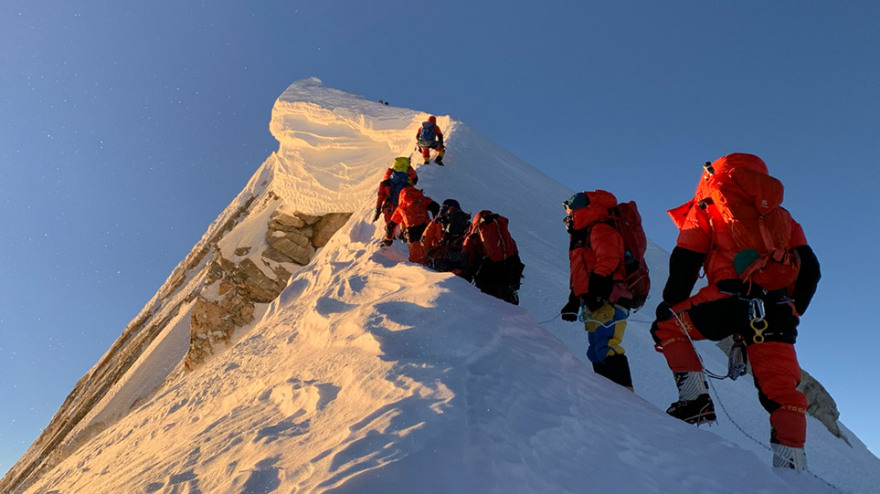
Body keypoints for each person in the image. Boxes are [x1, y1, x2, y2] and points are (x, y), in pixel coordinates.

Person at [650, 153, 821, 471]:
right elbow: (810, 269)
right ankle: (793, 471)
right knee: (781, 389)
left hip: (728, 300)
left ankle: (694, 401)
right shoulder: (782, 215)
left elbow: (686, 259)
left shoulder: (708, 202)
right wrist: (793, 308)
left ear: (713, 173)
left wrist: (671, 304)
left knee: (668, 327)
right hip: (778, 309)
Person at [559, 190, 634, 391]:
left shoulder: (599, 228)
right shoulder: (581, 238)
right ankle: (607, 396)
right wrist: (574, 301)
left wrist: (596, 291)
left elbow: (609, 259)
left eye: (570, 213)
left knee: (606, 346)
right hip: (596, 300)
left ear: (580, 210)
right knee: (597, 350)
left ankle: (625, 399)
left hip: (609, 298)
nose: (567, 218)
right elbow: (580, 274)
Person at [461, 210, 525, 305]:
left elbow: (466, 259)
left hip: (487, 282)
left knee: (490, 311)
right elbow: (515, 254)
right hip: (508, 282)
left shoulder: (474, 235)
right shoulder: (504, 235)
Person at [381, 185, 440, 265]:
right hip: (426, 228)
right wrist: (435, 223)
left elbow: (391, 225)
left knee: (417, 260)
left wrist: (388, 240)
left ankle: (424, 271)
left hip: (412, 232)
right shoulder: (422, 199)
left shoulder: (402, 206)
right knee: (431, 251)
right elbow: (435, 207)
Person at [423, 199, 471, 276]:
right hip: (462, 266)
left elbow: (425, 239)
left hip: (442, 263)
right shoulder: (466, 222)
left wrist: (428, 254)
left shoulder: (439, 221)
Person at [373, 157, 419, 224]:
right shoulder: (407, 181)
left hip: (390, 207)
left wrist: (378, 209)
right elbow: (415, 180)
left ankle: (390, 232)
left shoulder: (387, 177)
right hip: (404, 208)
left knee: (390, 226)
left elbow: (381, 196)